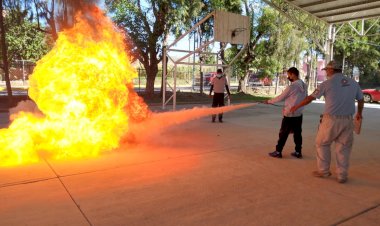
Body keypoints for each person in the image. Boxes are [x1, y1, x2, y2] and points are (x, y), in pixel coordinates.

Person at [290, 60, 364, 183]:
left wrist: (296, 107)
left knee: (322, 143)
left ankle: (323, 171)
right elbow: (361, 100)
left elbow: (310, 98)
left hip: (331, 120)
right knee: (344, 148)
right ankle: (342, 175)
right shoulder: (353, 83)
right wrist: (359, 114)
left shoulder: (326, 84)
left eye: (326, 70)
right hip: (347, 120)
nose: (326, 73)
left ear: (331, 70)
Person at [264, 67, 307, 159]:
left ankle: (278, 151)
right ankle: (298, 152)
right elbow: (305, 98)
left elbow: (281, 97)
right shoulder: (304, 85)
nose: (288, 77)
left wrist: (269, 101)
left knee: (283, 133)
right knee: (297, 133)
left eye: (289, 75)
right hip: (299, 113)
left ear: (293, 74)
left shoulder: (292, 86)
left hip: (290, 114)